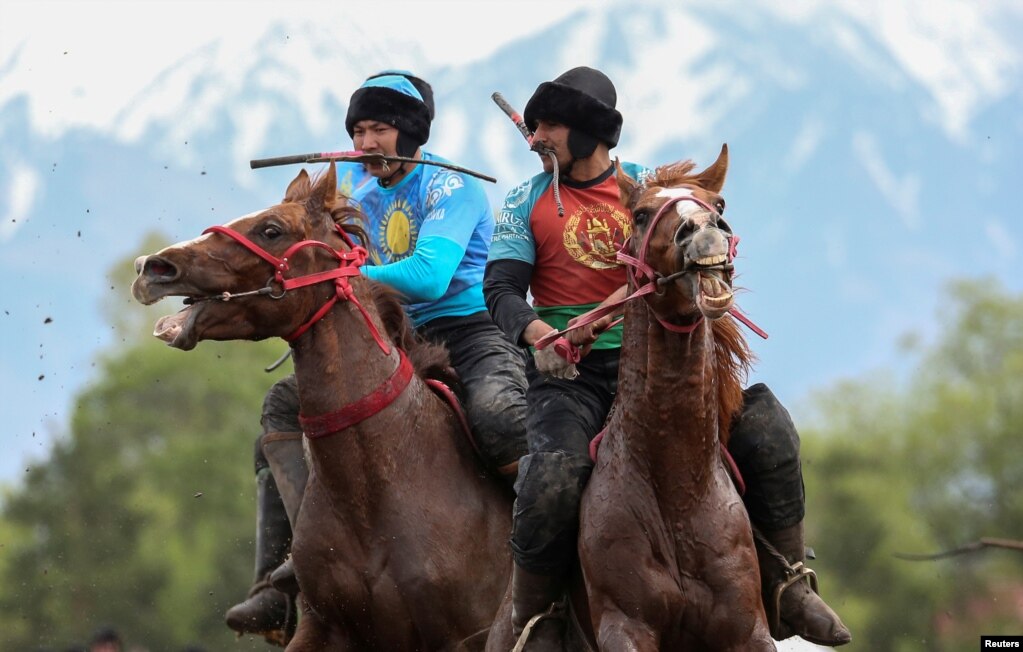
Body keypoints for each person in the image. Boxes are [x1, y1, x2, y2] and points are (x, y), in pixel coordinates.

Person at [483, 65, 851, 648]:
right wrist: (540, 337)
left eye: (548, 125)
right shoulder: (522, 202)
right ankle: (536, 619)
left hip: (663, 369)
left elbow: (688, 266)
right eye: (533, 127)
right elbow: (500, 290)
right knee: (551, 476)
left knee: (770, 428)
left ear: (589, 131)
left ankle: (790, 584)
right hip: (569, 378)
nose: (536, 138)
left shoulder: (653, 193)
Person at [224, 70, 529, 642]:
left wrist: (342, 269)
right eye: (359, 131)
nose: (366, 144)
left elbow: (430, 277)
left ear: (411, 132)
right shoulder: (357, 194)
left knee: (498, 416)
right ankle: (278, 582)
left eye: (380, 129)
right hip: (392, 336)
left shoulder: (453, 189)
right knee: (284, 409)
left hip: (468, 331)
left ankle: (547, 564)